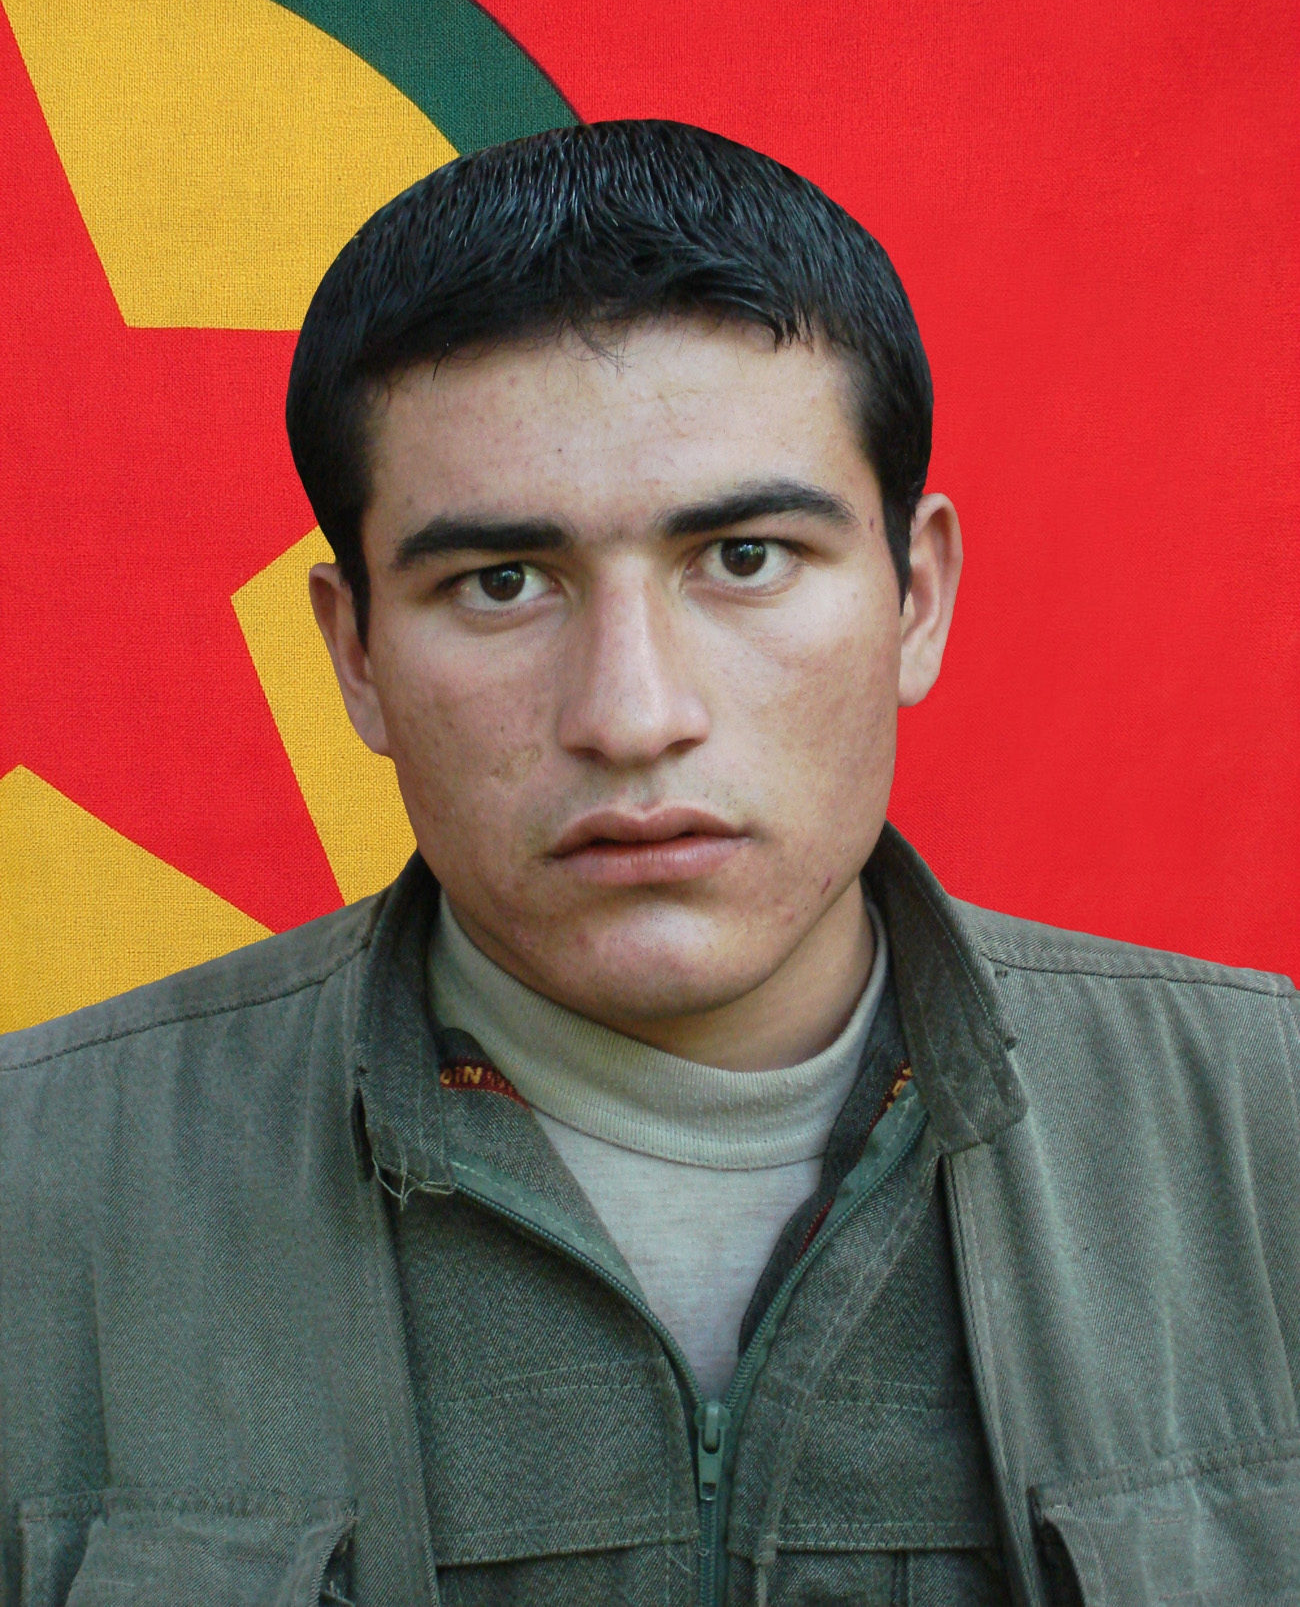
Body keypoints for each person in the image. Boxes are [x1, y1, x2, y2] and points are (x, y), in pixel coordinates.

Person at [1, 121, 1295, 1607]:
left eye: (744, 556)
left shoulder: (1271, 1134)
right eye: (501, 582)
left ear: (916, 595)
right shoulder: (32, 1194)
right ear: (355, 655)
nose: (630, 714)